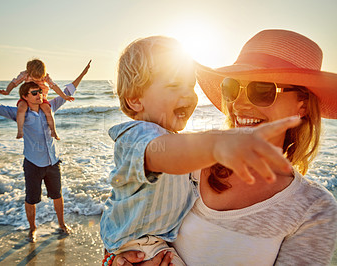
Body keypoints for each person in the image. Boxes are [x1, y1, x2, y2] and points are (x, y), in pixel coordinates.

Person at [115, 29, 337, 266]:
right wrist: (117, 260)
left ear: (301, 106)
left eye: (262, 90)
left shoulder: (315, 208)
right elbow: (129, 230)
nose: (239, 104)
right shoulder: (184, 159)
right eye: (232, 88)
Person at [0, 60, 91, 243]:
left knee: (57, 195)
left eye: (40, 91)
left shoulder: (50, 108)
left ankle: (62, 224)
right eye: (35, 93)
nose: (40, 94)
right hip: (33, 163)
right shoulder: (18, 113)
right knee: (31, 199)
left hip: (53, 161)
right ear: (25, 96)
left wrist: (84, 73)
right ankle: (32, 229)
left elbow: (68, 91)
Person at [0, 58, 76, 140]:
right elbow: (14, 83)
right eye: (35, 77)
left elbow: (54, 86)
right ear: (29, 72)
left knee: (48, 110)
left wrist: (64, 96)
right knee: (21, 108)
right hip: (28, 97)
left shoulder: (45, 76)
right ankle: (20, 131)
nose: (38, 79)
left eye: (40, 77)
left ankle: (53, 131)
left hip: (41, 98)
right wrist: (7, 91)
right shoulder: (25, 74)